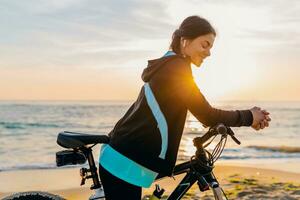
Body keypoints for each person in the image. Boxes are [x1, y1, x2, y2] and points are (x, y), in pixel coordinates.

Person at [98, 15, 271, 200]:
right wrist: (249, 117)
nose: (208, 53)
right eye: (205, 45)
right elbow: (206, 114)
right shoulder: (176, 68)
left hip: (125, 156)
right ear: (185, 41)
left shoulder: (169, 65)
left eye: (211, 47)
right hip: (125, 161)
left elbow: (201, 110)